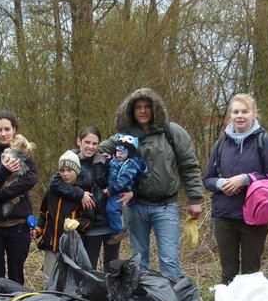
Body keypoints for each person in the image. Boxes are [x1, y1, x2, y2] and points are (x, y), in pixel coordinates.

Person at [101, 88, 204, 276]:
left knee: (169, 261)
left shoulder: (172, 132)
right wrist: (73, 160)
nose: (142, 111)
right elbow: (95, 150)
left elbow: (189, 165)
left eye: (147, 106)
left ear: (155, 108)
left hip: (166, 206)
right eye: (138, 107)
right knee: (139, 260)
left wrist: (195, 198)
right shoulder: (124, 137)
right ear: (131, 111)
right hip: (136, 206)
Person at [203, 93, 268, 284]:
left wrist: (246, 179)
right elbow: (207, 179)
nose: (240, 116)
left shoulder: (266, 142)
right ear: (230, 115)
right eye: (235, 111)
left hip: (255, 217)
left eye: (245, 111)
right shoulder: (221, 144)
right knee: (228, 274)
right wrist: (221, 184)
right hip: (224, 215)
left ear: (254, 114)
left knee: (250, 275)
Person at [0, 111, 39, 285]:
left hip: (17, 224)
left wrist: (0, 193)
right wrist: (3, 171)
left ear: (14, 130)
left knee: (16, 274)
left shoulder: (24, 155)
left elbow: (31, 179)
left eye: (7, 129)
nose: (3, 134)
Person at [35, 150, 95, 278]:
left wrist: (77, 223)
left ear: (77, 171)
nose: (65, 174)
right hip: (51, 245)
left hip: (71, 248)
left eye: (69, 170)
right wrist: (38, 230)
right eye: (62, 170)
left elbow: (89, 222)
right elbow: (43, 214)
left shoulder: (85, 194)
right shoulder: (52, 191)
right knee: (49, 281)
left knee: (69, 282)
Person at [72, 126, 113, 270]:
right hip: (88, 225)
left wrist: (130, 192)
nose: (90, 147)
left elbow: (122, 179)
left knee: (112, 268)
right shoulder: (70, 163)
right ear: (79, 141)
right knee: (89, 268)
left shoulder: (106, 162)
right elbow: (59, 186)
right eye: (87, 142)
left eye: (94, 143)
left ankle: (110, 293)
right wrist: (80, 193)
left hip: (111, 223)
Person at [106, 134, 150, 241]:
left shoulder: (131, 164)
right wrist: (109, 158)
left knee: (111, 209)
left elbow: (123, 180)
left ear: (129, 153)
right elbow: (114, 166)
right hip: (113, 189)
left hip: (121, 191)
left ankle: (118, 231)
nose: (119, 153)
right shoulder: (117, 160)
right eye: (117, 151)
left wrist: (110, 189)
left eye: (123, 151)